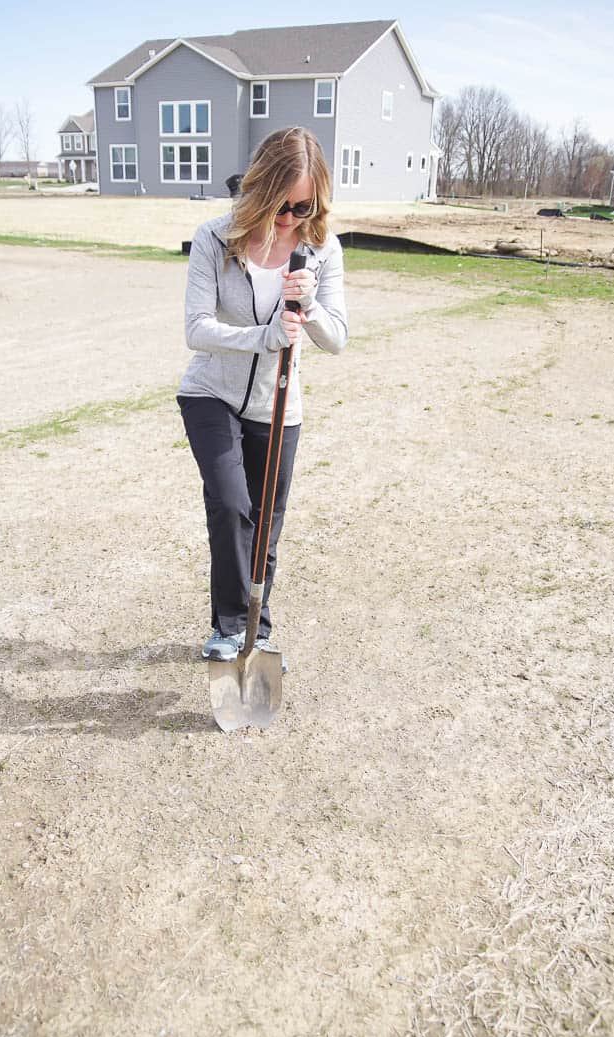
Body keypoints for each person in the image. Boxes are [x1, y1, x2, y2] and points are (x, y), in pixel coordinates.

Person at [177, 126, 347, 665]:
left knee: (265, 522)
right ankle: (228, 628)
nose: (291, 218)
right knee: (232, 507)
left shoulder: (321, 249)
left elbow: (336, 339)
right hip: (212, 393)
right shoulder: (215, 239)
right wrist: (265, 336)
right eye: (281, 204)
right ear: (258, 187)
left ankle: (257, 629)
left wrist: (312, 305)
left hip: (278, 406)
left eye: (305, 206)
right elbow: (196, 329)